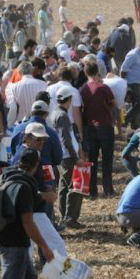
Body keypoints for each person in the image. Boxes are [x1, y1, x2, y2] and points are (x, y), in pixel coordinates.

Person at [0, 148, 53, 279]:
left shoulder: (5, 177)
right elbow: (28, 223)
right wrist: (44, 247)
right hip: (15, 243)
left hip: (2, 236)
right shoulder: (24, 187)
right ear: (36, 165)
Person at [80, 61, 117, 197]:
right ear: (97, 71)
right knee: (107, 159)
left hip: (91, 127)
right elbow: (114, 103)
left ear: (85, 73)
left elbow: (81, 107)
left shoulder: (83, 89)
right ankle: (108, 189)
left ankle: (92, 190)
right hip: (105, 126)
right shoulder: (104, 87)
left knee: (92, 160)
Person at [50, 87, 86, 229]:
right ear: (69, 99)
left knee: (64, 186)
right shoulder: (63, 116)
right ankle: (70, 217)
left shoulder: (56, 113)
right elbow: (66, 140)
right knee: (73, 187)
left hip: (63, 156)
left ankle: (65, 216)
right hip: (68, 157)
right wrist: (76, 157)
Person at [46, 66, 83, 141]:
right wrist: (80, 131)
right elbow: (76, 113)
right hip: (69, 127)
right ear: (70, 77)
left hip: (52, 126)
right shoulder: (74, 90)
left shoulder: (49, 89)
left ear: (58, 76)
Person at [121, 43, 140, 130]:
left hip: (138, 84)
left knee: (137, 106)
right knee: (138, 106)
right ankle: (124, 121)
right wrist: (124, 83)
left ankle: (134, 126)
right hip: (132, 84)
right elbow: (123, 69)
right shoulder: (133, 55)